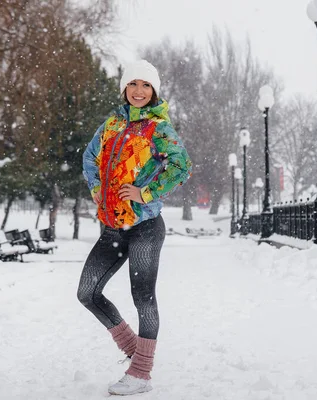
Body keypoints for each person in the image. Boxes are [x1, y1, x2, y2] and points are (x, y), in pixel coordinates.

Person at [78, 60, 192, 396]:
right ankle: (134, 350)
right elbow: (89, 157)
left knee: (142, 296)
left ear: (154, 91)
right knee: (87, 292)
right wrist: (99, 190)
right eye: (133, 84)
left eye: (145, 85)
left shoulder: (159, 128)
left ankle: (141, 373)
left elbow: (181, 167)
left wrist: (145, 192)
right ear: (125, 89)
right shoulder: (112, 124)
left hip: (145, 227)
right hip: (114, 228)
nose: (139, 91)